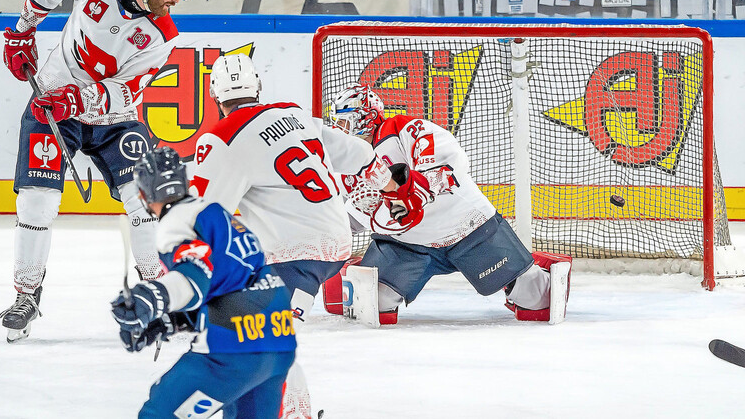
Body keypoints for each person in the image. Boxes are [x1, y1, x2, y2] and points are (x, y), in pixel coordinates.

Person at [0, 0, 192, 342]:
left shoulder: (164, 36)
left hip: (113, 120)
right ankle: (26, 295)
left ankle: (158, 292)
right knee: (36, 202)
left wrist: (78, 99)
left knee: (146, 199)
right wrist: (24, 29)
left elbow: (128, 90)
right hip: (51, 104)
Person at [188, 54, 422, 323]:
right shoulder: (295, 113)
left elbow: (202, 218)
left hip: (292, 256)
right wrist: (393, 189)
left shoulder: (219, 138)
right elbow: (360, 153)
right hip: (338, 244)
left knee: (240, 332)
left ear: (214, 96)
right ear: (258, 86)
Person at [322, 84, 572, 325]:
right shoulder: (345, 166)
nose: (339, 129)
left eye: (345, 121)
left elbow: (449, 162)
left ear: (366, 116)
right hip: (406, 246)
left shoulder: (401, 129)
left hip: (468, 229)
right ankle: (351, 273)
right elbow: (348, 215)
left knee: (537, 298)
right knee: (373, 304)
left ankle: (536, 267)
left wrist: (416, 192)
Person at [111, 146, 296, 418]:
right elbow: (230, 284)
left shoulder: (175, 222)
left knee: (158, 413)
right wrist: (172, 321)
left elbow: (195, 276)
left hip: (232, 353)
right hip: (279, 342)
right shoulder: (216, 213)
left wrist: (150, 297)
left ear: (144, 194)